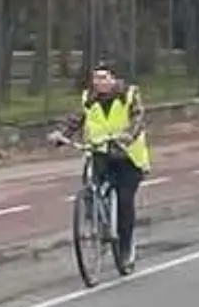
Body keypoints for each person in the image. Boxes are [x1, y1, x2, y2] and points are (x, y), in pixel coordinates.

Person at [48, 62, 150, 266]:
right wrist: (62, 134)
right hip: (100, 152)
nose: (100, 82)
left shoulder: (129, 95)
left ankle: (125, 247)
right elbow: (77, 119)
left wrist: (128, 135)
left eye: (104, 78)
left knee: (124, 200)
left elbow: (138, 118)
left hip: (127, 157)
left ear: (114, 79)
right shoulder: (89, 98)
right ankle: (97, 226)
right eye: (96, 78)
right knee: (91, 188)